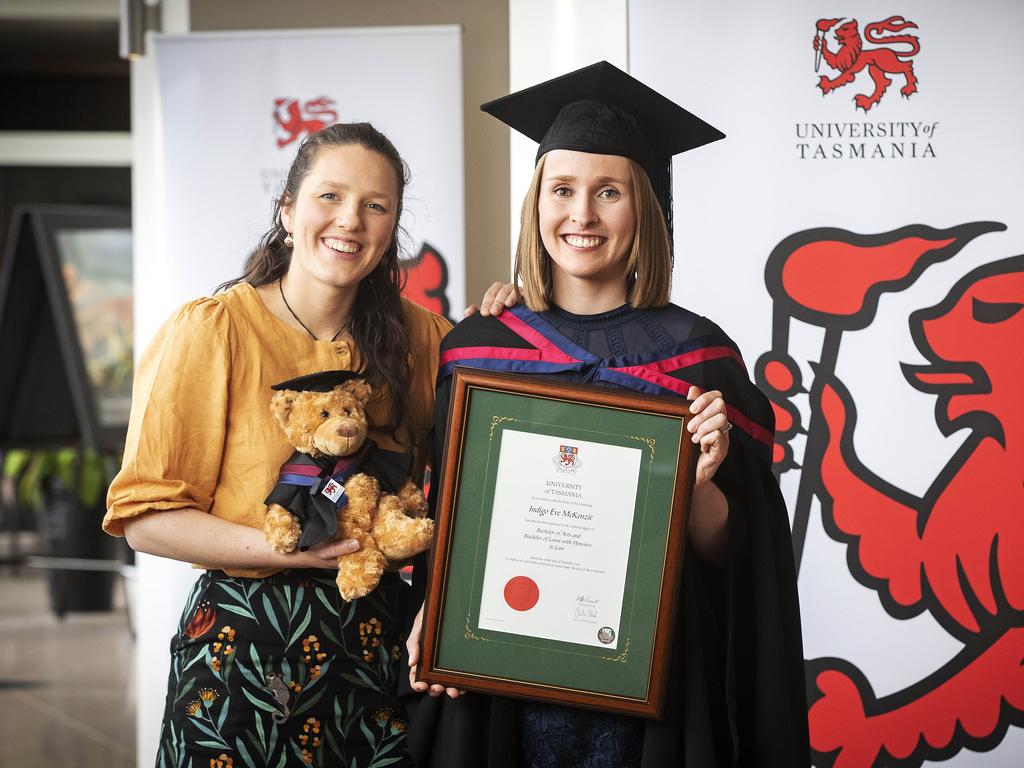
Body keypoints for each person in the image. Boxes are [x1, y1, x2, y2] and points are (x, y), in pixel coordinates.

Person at [404, 62, 810, 767]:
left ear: (645, 208)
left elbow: (740, 563)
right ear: (537, 204)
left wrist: (701, 487)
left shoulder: (701, 358)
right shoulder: (479, 349)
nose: (581, 215)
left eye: (609, 192)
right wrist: (432, 616)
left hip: (653, 691)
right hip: (502, 688)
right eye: (562, 190)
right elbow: (448, 526)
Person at [103, 123, 455, 768]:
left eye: (375, 206)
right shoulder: (213, 330)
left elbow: (481, 463)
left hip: (375, 650)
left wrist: (516, 316)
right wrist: (291, 549)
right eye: (329, 196)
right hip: (241, 650)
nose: (350, 220)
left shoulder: (425, 340)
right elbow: (144, 522)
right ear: (287, 209)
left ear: (392, 228)